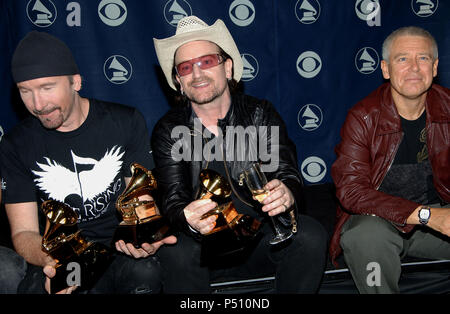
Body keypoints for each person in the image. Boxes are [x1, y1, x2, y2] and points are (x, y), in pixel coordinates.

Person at [151, 16, 328, 293]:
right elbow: (173, 200)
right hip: (201, 249)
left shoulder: (260, 114)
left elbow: (287, 173)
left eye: (207, 61)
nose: (197, 74)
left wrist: (287, 192)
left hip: (261, 239)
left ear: (228, 67)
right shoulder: (169, 129)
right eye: (185, 68)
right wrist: (188, 219)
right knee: (175, 250)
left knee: (310, 235)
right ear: (178, 81)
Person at [0, 31, 176, 294]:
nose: (38, 104)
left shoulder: (124, 122)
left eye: (47, 88)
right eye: (26, 92)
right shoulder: (15, 144)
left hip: (118, 250)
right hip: (59, 252)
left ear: (76, 82)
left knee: (146, 272)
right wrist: (57, 261)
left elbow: (141, 199)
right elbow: (24, 233)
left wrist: (144, 231)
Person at [329, 26, 450, 294]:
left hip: (437, 219)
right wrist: (427, 215)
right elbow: (352, 192)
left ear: (435, 67)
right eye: (402, 59)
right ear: (385, 69)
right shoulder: (363, 117)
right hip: (379, 220)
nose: (415, 68)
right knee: (365, 236)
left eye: (423, 58)